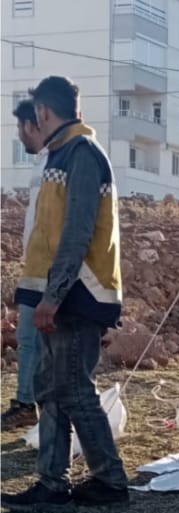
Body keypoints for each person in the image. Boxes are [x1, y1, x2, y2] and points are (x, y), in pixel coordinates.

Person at [1, 77, 128, 511]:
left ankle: (110, 481)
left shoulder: (81, 155)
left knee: (74, 389)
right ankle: (51, 485)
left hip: (78, 296)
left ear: (41, 113)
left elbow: (76, 231)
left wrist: (53, 296)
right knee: (52, 390)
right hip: (62, 295)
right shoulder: (63, 155)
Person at [2, 98, 49, 429]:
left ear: (36, 124)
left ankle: (46, 409)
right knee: (29, 338)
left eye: (21, 127)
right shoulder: (42, 163)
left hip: (52, 272)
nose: (19, 135)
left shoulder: (62, 161)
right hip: (34, 268)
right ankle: (26, 403)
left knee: (50, 345)